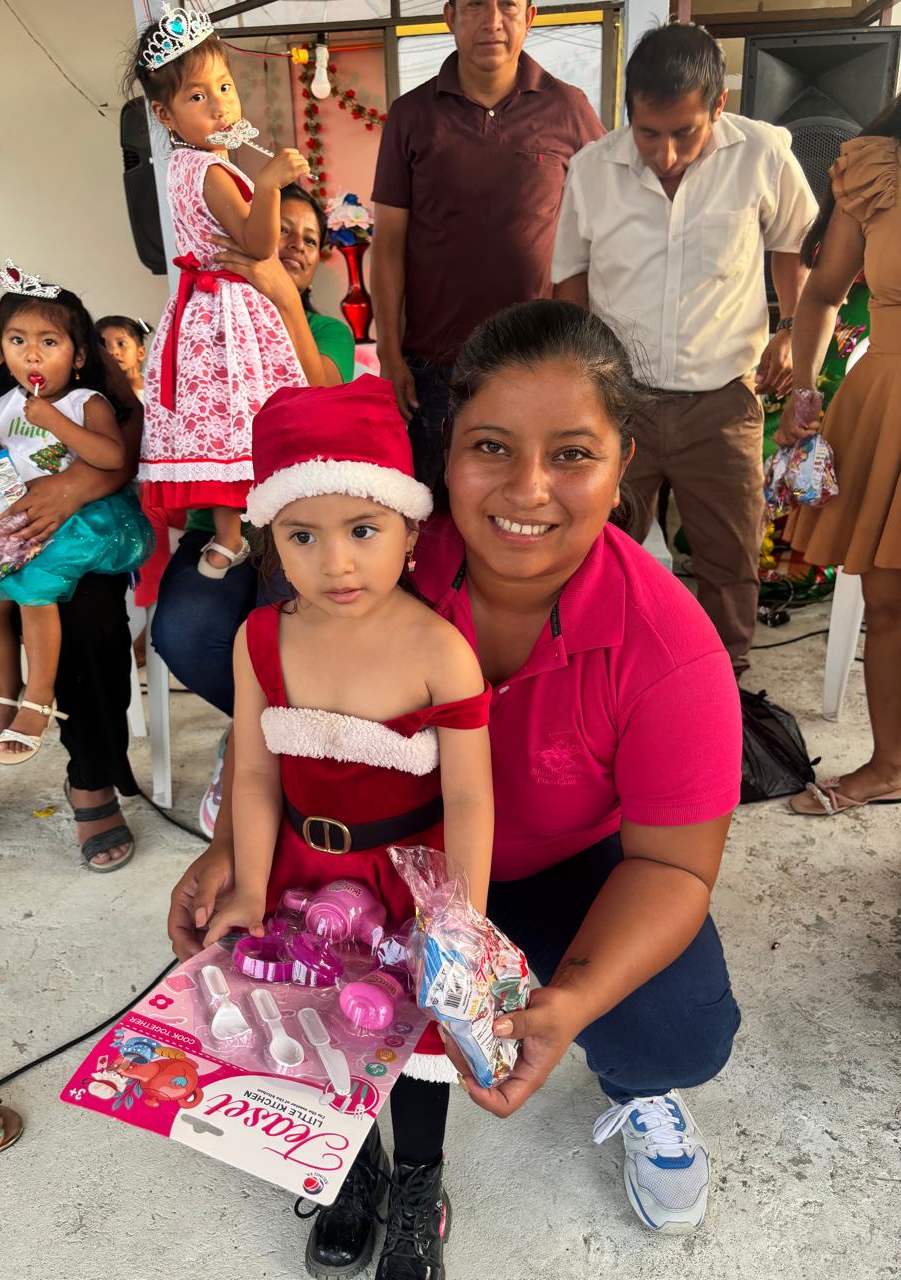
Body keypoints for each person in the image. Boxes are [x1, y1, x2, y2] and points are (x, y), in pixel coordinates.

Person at [168, 301, 742, 1237]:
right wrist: (234, 848)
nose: (527, 489)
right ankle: (344, 1138)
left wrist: (570, 998)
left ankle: (640, 1091)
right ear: (445, 456)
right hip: (372, 861)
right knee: (310, 983)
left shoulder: (669, 649)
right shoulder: (369, 549)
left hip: (557, 871)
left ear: (623, 463)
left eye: (572, 453)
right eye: (491, 447)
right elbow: (273, 726)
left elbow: (674, 865)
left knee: (671, 1026)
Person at [199, 376, 492, 1280]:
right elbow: (254, 770)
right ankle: (348, 1165)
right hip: (296, 870)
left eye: (363, 530)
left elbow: (469, 798)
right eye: (302, 535)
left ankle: (418, 1180)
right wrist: (251, 888)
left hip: (409, 882)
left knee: (416, 1040)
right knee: (317, 1017)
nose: (336, 563)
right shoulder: (260, 639)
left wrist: (458, 922)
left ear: (410, 528)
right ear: (270, 537)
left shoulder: (440, 649)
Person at [552, 21, 817, 675]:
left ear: (718, 106)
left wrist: (789, 329)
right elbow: (571, 281)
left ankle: (726, 686)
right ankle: (600, 677)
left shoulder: (763, 153)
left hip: (722, 403)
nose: (665, 154)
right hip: (620, 403)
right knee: (596, 550)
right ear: (628, 111)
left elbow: (794, 248)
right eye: (648, 133)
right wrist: (575, 389)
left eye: (684, 133)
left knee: (730, 559)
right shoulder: (592, 170)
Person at [0, 201, 143, 870]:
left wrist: (75, 486)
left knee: (87, 614)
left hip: (63, 530)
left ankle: (91, 777)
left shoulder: (47, 339)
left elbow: (129, 428)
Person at [152, 186, 356, 836]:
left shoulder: (326, 331)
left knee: (294, 639)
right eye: (280, 228)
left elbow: (325, 397)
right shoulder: (203, 320)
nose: (293, 244)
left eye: (308, 238)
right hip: (222, 528)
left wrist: (281, 299)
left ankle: (264, 752)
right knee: (185, 632)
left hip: (299, 526)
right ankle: (256, 737)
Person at [371, 0, 603, 487]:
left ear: (530, 16)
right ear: (451, 16)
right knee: (432, 506)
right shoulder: (411, 115)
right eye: (476, 4)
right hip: (436, 369)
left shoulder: (569, 108)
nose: (492, 21)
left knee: (524, 502)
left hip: (537, 362)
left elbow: (602, 230)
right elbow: (388, 244)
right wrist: (389, 353)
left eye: (508, 5)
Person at [125, 6, 309, 579]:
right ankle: (261, 528)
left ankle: (230, 536)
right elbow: (258, 245)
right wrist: (271, 184)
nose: (220, 104)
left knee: (226, 424)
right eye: (198, 96)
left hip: (202, 312)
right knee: (248, 414)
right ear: (165, 114)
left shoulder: (186, 166)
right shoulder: (209, 170)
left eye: (224, 87)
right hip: (229, 313)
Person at [0, 268, 152, 770]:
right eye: (17, 341)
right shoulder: (3, 405)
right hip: (23, 521)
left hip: (76, 525)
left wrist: (57, 422)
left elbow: (112, 457)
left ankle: (39, 699)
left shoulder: (86, 402)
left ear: (78, 356)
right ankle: (9, 692)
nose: (32, 355)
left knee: (35, 592)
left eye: (48, 342)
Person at [776, 97, 901, 816]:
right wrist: (803, 388)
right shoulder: (875, 169)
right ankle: (890, 765)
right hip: (889, 400)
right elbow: (823, 293)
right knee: (887, 602)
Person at [96, 315, 150, 401]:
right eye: (104, 346)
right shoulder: (97, 395)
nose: (113, 352)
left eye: (121, 344)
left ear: (140, 353)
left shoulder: (158, 389)